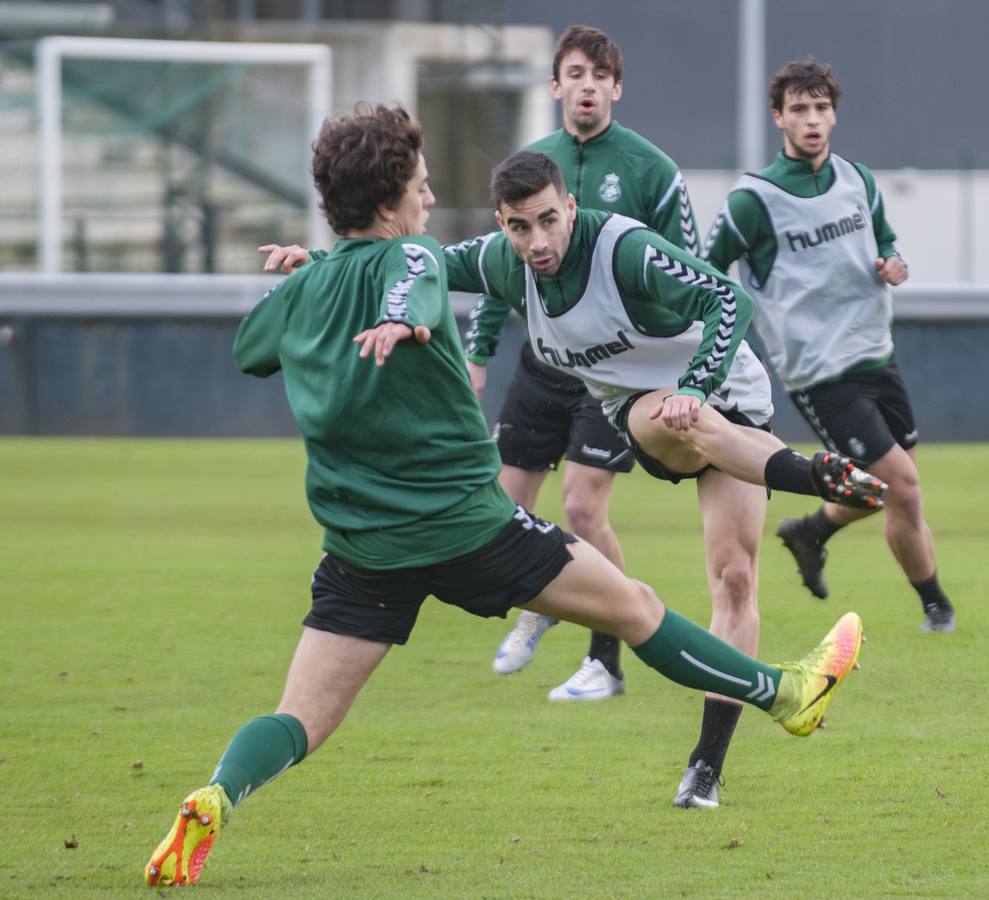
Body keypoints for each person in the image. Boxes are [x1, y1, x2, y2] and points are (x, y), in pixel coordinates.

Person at [144, 104, 866, 887]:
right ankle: (787, 693)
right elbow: (413, 285)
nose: (429, 199)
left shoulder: (309, 287)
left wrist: (315, 275)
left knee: (302, 719)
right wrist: (398, 318)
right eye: (421, 186)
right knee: (636, 607)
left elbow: (252, 348)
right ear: (390, 203)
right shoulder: (415, 258)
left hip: (362, 548)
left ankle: (218, 794)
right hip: (470, 528)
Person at [470, 25, 703, 703]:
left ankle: (606, 660)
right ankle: (546, 595)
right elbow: (497, 266)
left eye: (600, 75)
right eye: (575, 73)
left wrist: (680, 357)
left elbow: (689, 270)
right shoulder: (530, 165)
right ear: (556, 86)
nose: (588, 85)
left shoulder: (651, 169)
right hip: (545, 359)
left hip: (617, 365)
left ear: (616, 88)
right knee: (502, 512)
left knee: (581, 502)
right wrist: (479, 351)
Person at [702, 58, 957, 633]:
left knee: (886, 490)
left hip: (876, 355)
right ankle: (937, 607)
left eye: (820, 108)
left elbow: (886, 240)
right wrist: (723, 347)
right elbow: (705, 274)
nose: (811, 120)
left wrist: (895, 263)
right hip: (820, 374)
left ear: (834, 114)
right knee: (904, 488)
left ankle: (811, 529)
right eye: (799, 109)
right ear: (778, 118)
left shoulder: (857, 179)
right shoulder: (753, 201)